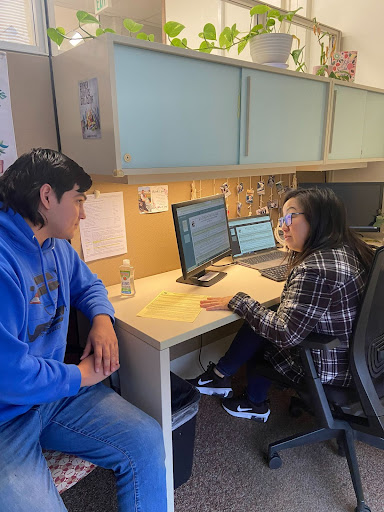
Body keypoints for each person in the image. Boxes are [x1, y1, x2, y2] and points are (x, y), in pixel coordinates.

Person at [0, 148, 167, 512]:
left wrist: (102, 319)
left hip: (55, 396)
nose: (83, 212)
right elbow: (8, 376)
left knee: (147, 439)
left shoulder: (55, 245)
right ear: (47, 197)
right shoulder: (3, 262)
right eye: (78, 200)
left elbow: (89, 286)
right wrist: (81, 375)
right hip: (6, 416)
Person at [189, 187, 374, 422]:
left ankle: (251, 400)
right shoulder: (347, 248)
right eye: (282, 219)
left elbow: (285, 335)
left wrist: (238, 300)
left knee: (260, 327)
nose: (283, 226)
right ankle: (221, 376)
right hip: (361, 359)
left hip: (333, 368)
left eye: (290, 217)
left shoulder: (315, 269)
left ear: (318, 221)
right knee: (264, 313)